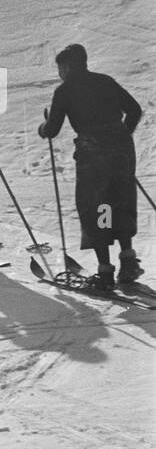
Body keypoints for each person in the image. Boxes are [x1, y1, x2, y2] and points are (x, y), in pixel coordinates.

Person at [37, 42, 143, 287]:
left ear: (66, 66)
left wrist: (42, 129)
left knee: (98, 208)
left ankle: (105, 270)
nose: (59, 73)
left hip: (94, 158)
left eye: (60, 68)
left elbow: (52, 129)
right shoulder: (105, 81)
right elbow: (135, 110)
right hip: (122, 151)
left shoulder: (65, 91)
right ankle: (128, 261)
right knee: (120, 201)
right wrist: (120, 137)